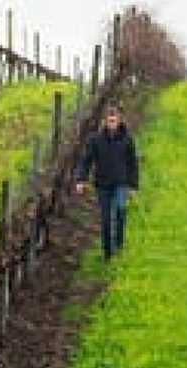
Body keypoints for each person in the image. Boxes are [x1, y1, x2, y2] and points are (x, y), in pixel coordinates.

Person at [74, 105, 140, 261]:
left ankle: (119, 245)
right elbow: (86, 161)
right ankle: (107, 253)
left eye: (114, 120)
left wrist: (133, 186)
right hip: (102, 185)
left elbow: (133, 164)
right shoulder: (95, 140)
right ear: (104, 122)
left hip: (121, 184)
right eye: (109, 121)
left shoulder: (127, 139)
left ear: (119, 121)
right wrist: (81, 179)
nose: (111, 123)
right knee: (105, 218)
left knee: (120, 211)